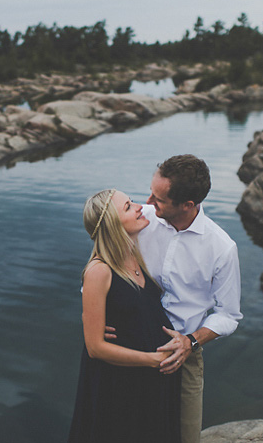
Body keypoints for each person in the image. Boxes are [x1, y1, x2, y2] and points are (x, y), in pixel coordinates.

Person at [124, 154, 243, 443]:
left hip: (184, 353)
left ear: (188, 205)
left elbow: (229, 315)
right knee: (126, 429)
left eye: (159, 199)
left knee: (185, 435)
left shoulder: (221, 247)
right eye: (152, 191)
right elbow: (104, 265)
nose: (148, 202)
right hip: (131, 343)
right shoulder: (142, 220)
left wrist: (190, 341)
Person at [68, 189, 181, 443]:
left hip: (149, 379)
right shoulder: (99, 271)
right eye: (129, 206)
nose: (140, 206)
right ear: (113, 224)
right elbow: (95, 347)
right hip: (120, 383)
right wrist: (152, 359)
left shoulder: (135, 254)